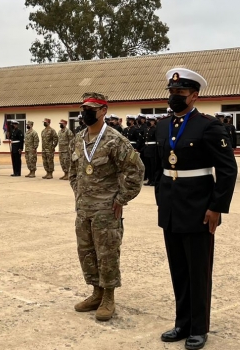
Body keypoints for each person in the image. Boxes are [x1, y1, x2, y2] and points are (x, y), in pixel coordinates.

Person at [156, 68, 237, 350]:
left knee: (198, 270)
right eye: (172, 92)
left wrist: (216, 207)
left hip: (199, 207)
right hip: (170, 206)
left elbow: (227, 170)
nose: (174, 97)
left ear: (194, 95)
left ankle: (199, 328)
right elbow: (159, 167)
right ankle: (182, 323)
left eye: (180, 93)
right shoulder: (162, 125)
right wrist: (160, 200)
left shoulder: (208, 126)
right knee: (178, 268)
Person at [69, 92, 144, 322]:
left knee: (107, 252)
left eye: (91, 108)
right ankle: (96, 292)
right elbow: (73, 171)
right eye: (83, 108)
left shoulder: (114, 140)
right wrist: (80, 194)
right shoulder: (78, 138)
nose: (85, 112)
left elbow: (135, 171)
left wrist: (121, 199)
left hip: (106, 210)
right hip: (84, 208)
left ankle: (109, 296)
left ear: (103, 111)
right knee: (87, 251)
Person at [143, 115, 160, 186]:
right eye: (148, 121)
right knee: (148, 166)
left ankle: (154, 180)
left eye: (151, 121)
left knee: (153, 166)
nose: (149, 122)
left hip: (153, 149)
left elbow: (157, 140)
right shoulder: (146, 129)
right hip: (147, 149)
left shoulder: (155, 129)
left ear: (154, 122)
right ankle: (149, 180)